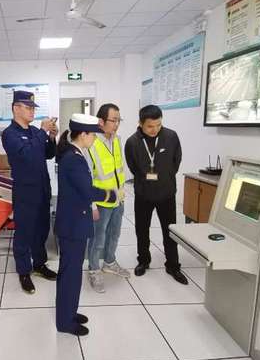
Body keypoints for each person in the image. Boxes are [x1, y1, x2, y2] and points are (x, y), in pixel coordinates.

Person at [55, 114, 120, 336]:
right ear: (83, 134)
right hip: (72, 226)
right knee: (70, 275)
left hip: (74, 222)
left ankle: (69, 313)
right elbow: (87, 190)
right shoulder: (73, 158)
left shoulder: (75, 153)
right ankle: (65, 322)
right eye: (93, 134)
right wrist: (110, 195)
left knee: (72, 273)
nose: (95, 138)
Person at [124, 105, 188, 285]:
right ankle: (143, 260)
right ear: (140, 123)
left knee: (170, 231)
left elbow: (176, 161)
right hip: (143, 194)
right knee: (141, 230)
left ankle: (173, 265)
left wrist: (165, 177)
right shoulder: (132, 142)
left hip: (166, 193)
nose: (155, 129)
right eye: (150, 126)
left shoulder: (171, 137)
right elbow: (133, 167)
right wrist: (146, 180)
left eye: (158, 125)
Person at [2, 90, 58, 294]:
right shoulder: (10, 134)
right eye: (28, 107)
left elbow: (48, 154)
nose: (32, 111)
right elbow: (27, 156)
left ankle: (39, 264)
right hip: (25, 192)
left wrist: (51, 137)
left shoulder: (35, 131)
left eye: (33, 108)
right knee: (24, 232)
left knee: (42, 230)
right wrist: (43, 132)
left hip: (42, 189)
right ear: (16, 108)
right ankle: (24, 271)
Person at [85, 103, 130, 293]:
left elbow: (119, 169)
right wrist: (92, 206)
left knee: (114, 233)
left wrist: (121, 193)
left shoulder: (117, 140)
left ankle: (109, 262)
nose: (117, 124)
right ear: (101, 122)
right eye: (114, 120)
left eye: (119, 120)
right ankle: (94, 269)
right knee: (98, 238)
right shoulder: (92, 143)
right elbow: (87, 177)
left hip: (118, 198)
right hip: (101, 201)